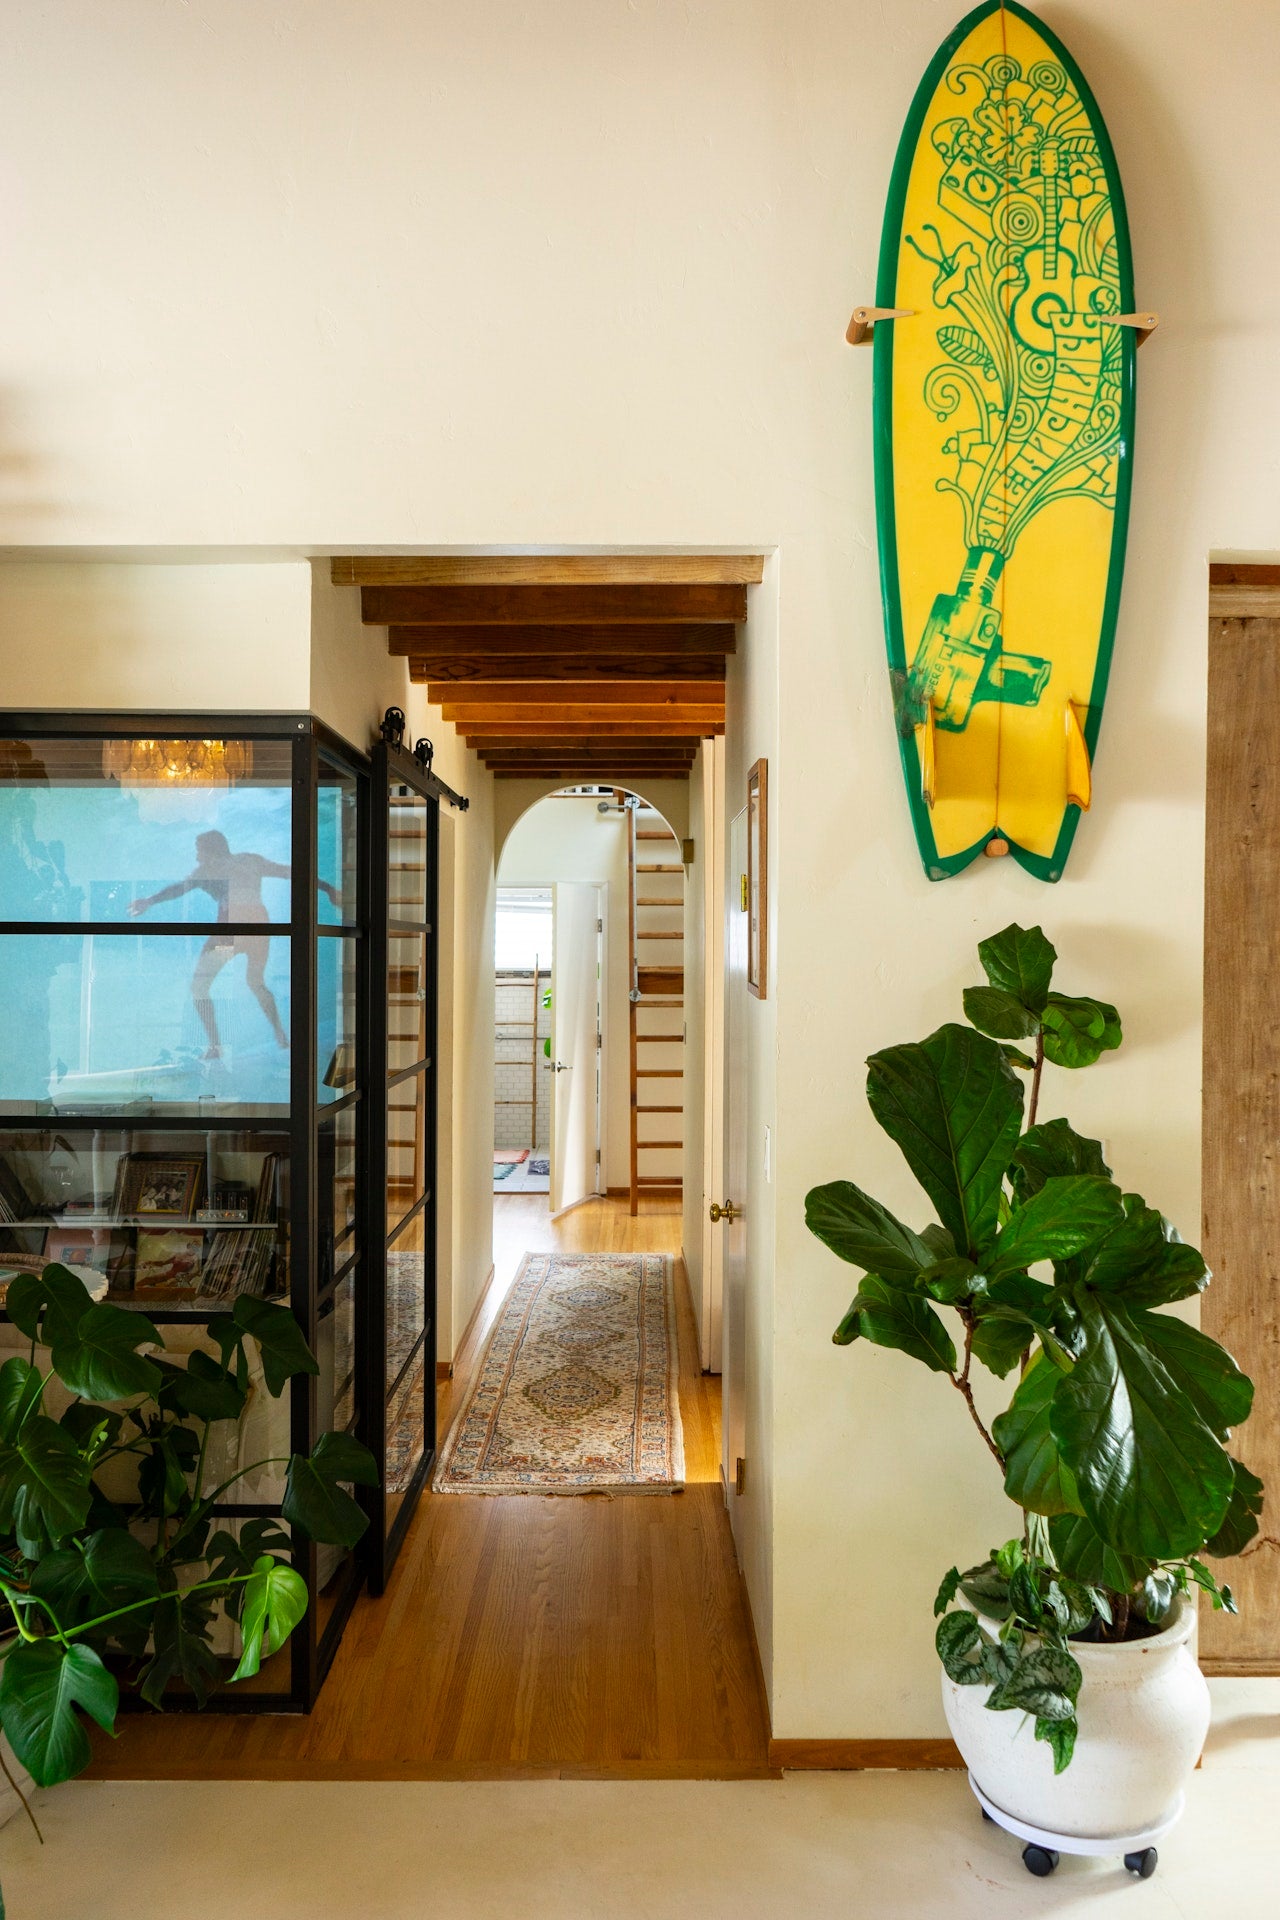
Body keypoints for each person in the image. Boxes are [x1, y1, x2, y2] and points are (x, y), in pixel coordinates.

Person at [129, 830, 341, 1058]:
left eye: (199, 851)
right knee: (255, 982)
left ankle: (216, 1046)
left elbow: (178, 889)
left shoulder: (207, 870)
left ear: (211, 850)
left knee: (199, 987)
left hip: (230, 937)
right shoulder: (249, 861)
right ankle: (279, 1035)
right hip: (257, 932)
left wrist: (149, 901)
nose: (197, 857)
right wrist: (328, 888)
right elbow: (291, 873)